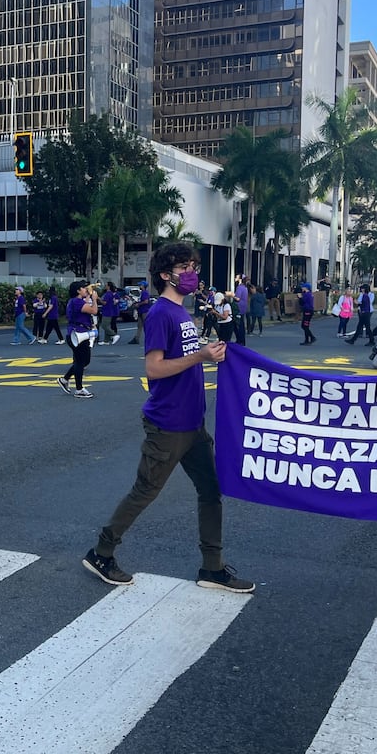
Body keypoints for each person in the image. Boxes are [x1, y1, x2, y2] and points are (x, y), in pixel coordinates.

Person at [82, 241, 254, 594]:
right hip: (168, 425)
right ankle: (102, 552)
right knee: (145, 491)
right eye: (184, 267)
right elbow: (154, 368)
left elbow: (188, 355)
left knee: (211, 491)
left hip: (193, 425)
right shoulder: (162, 313)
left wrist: (209, 353)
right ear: (166, 275)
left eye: (194, 265)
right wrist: (201, 356)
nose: (192, 273)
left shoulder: (182, 313)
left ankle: (212, 567)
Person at [56, 280, 98, 397]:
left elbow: (86, 304)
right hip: (78, 334)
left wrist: (89, 296)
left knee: (84, 360)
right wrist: (94, 299)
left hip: (79, 333)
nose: (86, 290)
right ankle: (79, 389)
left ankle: (65, 379)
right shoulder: (77, 302)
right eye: (84, 288)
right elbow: (94, 311)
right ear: (78, 290)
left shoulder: (74, 301)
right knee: (80, 362)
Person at [129, 280, 152, 345]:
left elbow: (146, 301)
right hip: (141, 311)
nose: (139, 286)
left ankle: (149, 338)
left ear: (143, 286)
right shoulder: (142, 292)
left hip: (145, 311)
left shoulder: (144, 293)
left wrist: (138, 304)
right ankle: (136, 338)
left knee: (146, 326)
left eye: (140, 285)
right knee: (139, 325)